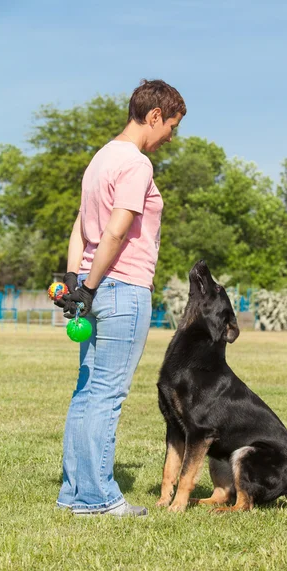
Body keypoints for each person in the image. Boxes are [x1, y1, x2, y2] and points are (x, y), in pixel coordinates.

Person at [55, 79, 186, 517]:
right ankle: (98, 498)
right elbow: (115, 229)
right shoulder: (136, 164)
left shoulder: (100, 159)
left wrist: (75, 279)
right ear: (154, 116)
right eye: (171, 125)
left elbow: (80, 225)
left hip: (95, 286)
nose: (171, 135)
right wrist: (89, 287)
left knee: (86, 392)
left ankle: (73, 494)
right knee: (106, 395)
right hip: (123, 288)